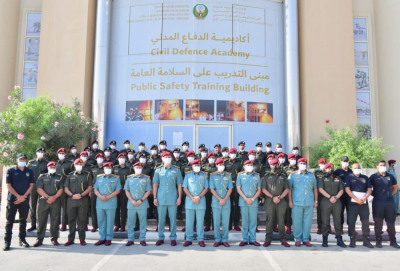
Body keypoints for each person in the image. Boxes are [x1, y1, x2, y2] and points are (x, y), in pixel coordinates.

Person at [3, 153, 35, 251]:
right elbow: (8, 185)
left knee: (23, 221)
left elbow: (31, 185)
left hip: (24, 200)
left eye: (24, 159)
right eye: (21, 159)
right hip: (13, 199)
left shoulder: (29, 171)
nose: (22, 161)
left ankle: (22, 239)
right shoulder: (11, 170)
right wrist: (18, 196)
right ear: (17, 160)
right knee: (10, 221)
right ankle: (7, 241)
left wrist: (24, 196)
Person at [153, 151, 183, 246]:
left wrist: (179, 197)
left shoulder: (176, 170)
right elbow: (155, 185)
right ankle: (160, 237)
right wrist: (154, 197)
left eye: (169, 156)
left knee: (172, 219)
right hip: (161, 197)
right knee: (161, 219)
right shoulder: (158, 170)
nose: (167, 158)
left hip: (173, 197)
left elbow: (179, 185)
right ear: (162, 159)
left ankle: (173, 237)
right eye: (165, 157)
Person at [288, 158, 318, 247]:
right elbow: (289, 189)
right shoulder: (292, 175)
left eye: (304, 163)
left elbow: (315, 189)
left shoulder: (311, 175)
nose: (303, 164)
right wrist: (290, 201)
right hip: (297, 202)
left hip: (309, 201)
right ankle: (297, 239)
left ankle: (305, 239)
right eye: (301, 163)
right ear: (298, 164)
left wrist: (316, 201)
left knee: (307, 222)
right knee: (297, 221)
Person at [370, 160, 400, 248]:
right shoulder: (373, 177)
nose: (383, 166)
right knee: (378, 223)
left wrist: (391, 194)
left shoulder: (390, 176)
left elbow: (395, 187)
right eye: (381, 165)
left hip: (389, 202)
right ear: (377, 166)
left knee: (391, 222)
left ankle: (393, 241)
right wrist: (375, 194)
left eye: (384, 165)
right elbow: (369, 188)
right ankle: (378, 241)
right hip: (378, 202)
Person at [63, 158, 93, 246]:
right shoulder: (70, 175)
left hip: (83, 200)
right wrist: (72, 195)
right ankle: (70, 239)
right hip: (71, 200)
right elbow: (66, 188)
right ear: (75, 165)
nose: (79, 166)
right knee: (71, 220)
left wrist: (81, 195)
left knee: (82, 220)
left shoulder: (87, 175)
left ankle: (82, 239)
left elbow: (90, 187)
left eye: (80, 164)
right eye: (77, 164)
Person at [33, 161, 63, 247]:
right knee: (41, 220)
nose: (52, 168)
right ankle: (39, 239)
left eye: (54, 167)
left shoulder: (59, 177)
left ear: (56, 168)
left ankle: (54, 238)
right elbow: (38, 188)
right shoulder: (42, 177)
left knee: (55, 220)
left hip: (55, 201)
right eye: (51, 167)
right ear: (47, 167)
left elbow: (61, 189)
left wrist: (54, 197)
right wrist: (47, 197)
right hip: (44, 201)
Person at [261, 159, 290, 247]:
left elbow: (287, 189)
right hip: (270, 201)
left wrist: (280, 197)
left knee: (281, 221)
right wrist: (272, 197)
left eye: (276, 165)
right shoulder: (266, 177)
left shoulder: (283, 176)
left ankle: (283, 239)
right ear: (269, 166)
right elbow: (263, 189)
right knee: (269, 220)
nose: (275, 166)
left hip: (281, 201)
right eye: (273, 165)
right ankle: (268, 239)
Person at [345, 163, 373, 248]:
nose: (357, 169)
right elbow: (347, 189)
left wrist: (364, 198)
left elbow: (369, 189)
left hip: (363, 203)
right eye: (355, 168)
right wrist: (356, 199)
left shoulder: (365, 177)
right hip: (353, 204)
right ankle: (352, 239)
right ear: (352, 169)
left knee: (365, 222)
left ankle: (366, 240)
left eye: (359, 168)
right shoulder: (349, 177)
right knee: (351, 222)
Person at [317, 163, 346, 248]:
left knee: (337, 222)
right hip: (326, 202)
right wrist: (330, 197)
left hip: (336, 202)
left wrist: (336, 197)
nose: (330, 169)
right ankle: (325, 239)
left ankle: (339, 239)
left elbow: (341, 190)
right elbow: (320, 189)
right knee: (325, 222)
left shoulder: (338, 178)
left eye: (332, 168)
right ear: (325, 169)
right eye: (328, 168)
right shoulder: (322, 178)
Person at [182, 159, 209, 247]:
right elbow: (185, 188)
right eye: (195, 165)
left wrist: (199, 197)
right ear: (192, 166)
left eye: (198, 165)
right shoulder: (188, 176)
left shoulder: (204, 176)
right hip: (190, 201)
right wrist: (192, 198)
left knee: (200, 222)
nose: (197, 167)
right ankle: (189, 239)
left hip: (200, 201)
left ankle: (200, 239)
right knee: (189, 222)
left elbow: (206, 188)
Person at [93, 162, 121, 246]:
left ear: (112, 169)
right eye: (106, 168)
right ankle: (102, 238)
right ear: (103, 169)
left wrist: (108, 197)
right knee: (101, 220)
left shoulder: (116, 178)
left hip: (110, 202)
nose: (107, 169)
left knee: (109, 221)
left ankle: (108, 238)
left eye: (109, 168)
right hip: (100, 202)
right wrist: (101, 197)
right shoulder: (99, 178)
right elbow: (95, 189)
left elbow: (118, 190)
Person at [125, 162, 152, 246]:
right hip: (131, 203)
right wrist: (131, 200)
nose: (138, 169)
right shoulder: (129, 179)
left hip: (142, 204)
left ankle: (142, 239)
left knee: (143, 222)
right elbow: (126, 190)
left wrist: (141, 200)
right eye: (137, 167)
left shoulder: (146, 179)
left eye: (140, 167)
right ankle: (130, 239)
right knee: (130, 222)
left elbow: (148, 191)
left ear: (142, 169)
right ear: (134, 168)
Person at [237, 160, 261, 247]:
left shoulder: (257, 176)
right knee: (244, 221)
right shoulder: (240, 176)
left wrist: (253, 199)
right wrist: (246, 198)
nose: (250, 166)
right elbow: (238, 189)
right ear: (244, 166)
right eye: (248, 165)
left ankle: (253, 239)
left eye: (251, 165)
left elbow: (259, 190)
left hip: (253, 202)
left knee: (253, 221)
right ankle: (244, 239)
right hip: (243, 202)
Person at [209, 158, 233, 247]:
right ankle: (217, 239)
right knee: (216, 222)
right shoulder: (212, 175)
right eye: (219, 165)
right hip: (216, 201)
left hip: (226, 201)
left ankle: (225, 239)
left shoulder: (228, 175)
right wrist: (220, 199)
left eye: (222, 165)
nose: (221, 166)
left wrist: (225, 199)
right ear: (216, 166)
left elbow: (230, 188)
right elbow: (212, 189)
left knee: (225, 222)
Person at [27, 147, 48, 232]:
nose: (41, 153)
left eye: (42, 152)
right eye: (39, 151)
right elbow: (26, 174)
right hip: (32, 188)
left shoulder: (46, 164)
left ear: (44, 153)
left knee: (42, 207)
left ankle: (41, 225)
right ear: (36, 153)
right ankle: (33, 225)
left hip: (42, 188)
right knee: (33, 207)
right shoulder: (31, 163)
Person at [225, 148, 243, 231]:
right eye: (231, 153)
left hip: (237, 185)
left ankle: (236, 224)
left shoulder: (240, 162)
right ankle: (229, 224)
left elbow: (242, 174)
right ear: (229, 153)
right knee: (229, 206)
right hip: (228, 186)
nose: (233, 154)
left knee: (237, 206)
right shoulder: (225, 162)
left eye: (234, 153)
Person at [55, 147, 73, 231]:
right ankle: (56, 223)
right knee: (56, 207)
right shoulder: (55, 164)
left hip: (65, 188)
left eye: (63, 153)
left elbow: (72, 176)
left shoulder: (70, 164)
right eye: (60, 153)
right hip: (55, 188)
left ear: (65, 154)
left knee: (65, 207)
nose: (61, 155)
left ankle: (64, 224)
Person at [334, 156, 353, 231]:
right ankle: (340, 229)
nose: (345, 162)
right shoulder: (337, 171)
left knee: (350, 212)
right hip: (340, 195)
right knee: (340, 212)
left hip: (350, 195)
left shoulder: (351, 171)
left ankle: (350, 229)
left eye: (346, 161)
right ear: (341, 162)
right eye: (344, 161)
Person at [113, 153, 131, 232]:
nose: (122, 159)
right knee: (116, 208)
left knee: (124, 208)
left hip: (124, 190)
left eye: (123, 157)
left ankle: (123, 225)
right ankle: (117, 225)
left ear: (126, 159)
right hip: (116, 190)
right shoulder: (114, 168)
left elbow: (130, 180)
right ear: (118, 159)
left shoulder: (129, 169)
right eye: (120, 157)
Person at [90, 153, 106, 232]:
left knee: (103, 208)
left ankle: (102, 225)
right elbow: (90, 179)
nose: (100, 159)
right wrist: (90, 190)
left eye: (101, 157)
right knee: (93, 208)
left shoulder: (106, 168)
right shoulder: (93, 168)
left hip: (103, 190)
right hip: (94, 190)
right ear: (96, 159)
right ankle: (94, 225)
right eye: (98, 157)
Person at [203, 152, 218, 231]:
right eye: (210, 158)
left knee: (215, 209)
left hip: (216, 191)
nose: (212, 159)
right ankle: (207, 225)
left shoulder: (218, 167)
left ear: (215, 159)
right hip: (207, 190)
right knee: (207, 209)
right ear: (208, 159)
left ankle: (215, 226)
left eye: (213, 157)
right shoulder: (204, 167)